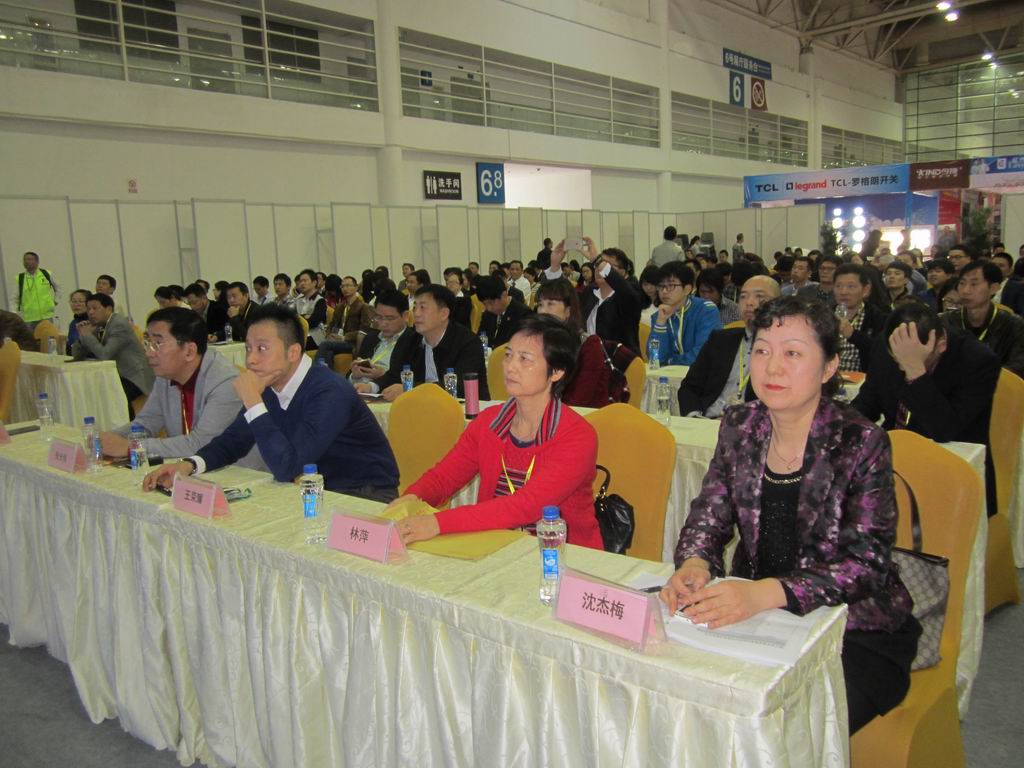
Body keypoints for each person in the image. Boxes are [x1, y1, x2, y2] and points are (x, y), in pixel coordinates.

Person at [663, 296, 920, 735]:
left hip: (851, 629)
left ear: (829, 367)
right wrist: (695, 562)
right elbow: (710, 512)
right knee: (684, 694)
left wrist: (769, 593)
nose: (773, 367)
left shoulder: (861, 441)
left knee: (777, 727)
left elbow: (866, 564)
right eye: (762, 350)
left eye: (793, 353)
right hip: (759, 617)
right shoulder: (740, 424)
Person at [385, 314, 603, 549]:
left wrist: (437, 523)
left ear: (557, 372)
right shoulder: (489, 423)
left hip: (563, 554)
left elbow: (526, 506)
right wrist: (409, 499)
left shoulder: (576, 436)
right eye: (508, 355)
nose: (510, 366)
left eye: (525, 359)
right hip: (496, 546)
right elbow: (444, 477)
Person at [142, 305, 400, 501]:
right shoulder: (270, 384)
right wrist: (188, 465)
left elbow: (288, 466)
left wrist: (254, 403)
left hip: (364, 495)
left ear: (293, 352)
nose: (251, 359)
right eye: (248, 348)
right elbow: (232, 441)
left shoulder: (329, 391)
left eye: (262, 349)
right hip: (315, 492)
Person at [852, 302, 1001, 513]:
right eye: (897, 358)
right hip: (895, 462)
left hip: (953, 470)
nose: (901, 365)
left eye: (909, 360)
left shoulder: (977, 361)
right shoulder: (887, 345)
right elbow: (868, 403)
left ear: (940, 344)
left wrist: (915, 372)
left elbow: (945, 429)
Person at [100, 307, 261, 468]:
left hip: (237, 473)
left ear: (189, 351)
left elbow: (202, 444)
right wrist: (103, 440)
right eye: (148, 343)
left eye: (157, 344)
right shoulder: (167, 376)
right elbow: (146, 424)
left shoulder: (225, 383)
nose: (149, 353)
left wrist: (132, 447)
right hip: (189, 468)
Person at [677, 275, 780, 417]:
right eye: (743, 297)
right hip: (708, 420)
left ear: (778, 304)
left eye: (759, 296)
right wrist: (694, 416)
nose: (749, 303)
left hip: (753, 424)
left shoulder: (784, 350)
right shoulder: (720, 339)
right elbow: (690, 387)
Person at [373, 284, 489, 402]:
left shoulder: (468, 342)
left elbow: (459, 387)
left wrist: (410, 389)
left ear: (443, 314)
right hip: (421, 406)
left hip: (465, 408)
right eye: (415, 307)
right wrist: (372, 386)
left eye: (422, 308)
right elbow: (394, 375)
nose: (416, 313)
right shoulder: (409, 339)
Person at [535, 278, 621, 408]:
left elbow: (579, 400)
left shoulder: (589, 345)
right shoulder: (538, 342)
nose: (542, 311)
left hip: (585, 415)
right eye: (540, 305)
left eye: (550, 304)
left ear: (568, 311)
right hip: (549, 412)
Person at [72, 292, 154, 417]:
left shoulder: (118, 324)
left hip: (135, 375)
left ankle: (130, 425)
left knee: (116, 396)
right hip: (117, 374)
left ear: (109, 309)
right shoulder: (98, 325)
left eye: (95, 308)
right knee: (92, 391)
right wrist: (83, 335)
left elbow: (105, 354)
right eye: (88, 309)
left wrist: (88, 336)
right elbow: (77, 355)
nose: (91, 312)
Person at [942, 260, 1024, 377]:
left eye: (974, 284)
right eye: (962, 283)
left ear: (994, 288)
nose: (965, 291)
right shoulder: (945, 321)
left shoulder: (1014, 325)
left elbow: (1018, 366)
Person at [575, 240, 643, 354]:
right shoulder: (589, 292)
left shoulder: (628, 296)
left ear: (622, 272)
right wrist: (554, 267)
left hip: (622, 360)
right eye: (597, 265)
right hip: (591, 358)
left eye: (606, 265)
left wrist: (598, 261)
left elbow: (627, 292)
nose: (599, 269)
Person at [648, 261, 722, 366]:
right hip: (669, 375)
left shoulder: (706, 310)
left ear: (687, 289)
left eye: (671, 285)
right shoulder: (659, 315)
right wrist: (660, 324)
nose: (664, 291)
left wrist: (670, 361)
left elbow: (702, 355)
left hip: (701, 373)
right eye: (661, 286)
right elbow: (654, 358)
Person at [351, 290, 410, 393]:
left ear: (405, 316)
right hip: (360, 391)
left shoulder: (413, 342)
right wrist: (355, 376)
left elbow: (412, 380)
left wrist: (384, 375)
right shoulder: (371, 338)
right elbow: (350, 376)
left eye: (389, 318)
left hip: (387, 393)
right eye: (378, 317)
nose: (383, 324)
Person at [833, 264, 888, 373]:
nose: (843, 292)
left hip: (862, 378)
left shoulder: (878, 318)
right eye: (838, 286)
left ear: (865, 290)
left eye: (851, 286)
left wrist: (853, 334)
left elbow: (882, 353)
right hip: (828, 377)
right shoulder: (824, 315)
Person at [313, 275, 374, 368]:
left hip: (352, 342)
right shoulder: (339, 307)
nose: (345, 289)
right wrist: (329, 334)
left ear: (356, 287)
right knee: (328, 352)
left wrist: (345, 337)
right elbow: (332, 324)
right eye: (342, 286)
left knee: (324, 345)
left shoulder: (363, 306)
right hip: (338, 340)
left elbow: (365, 330)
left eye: (348, 286)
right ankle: (327, 374)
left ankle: (316, 370)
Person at [477, 275, 532, 349]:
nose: (488, 308)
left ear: (504, 295)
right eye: (484, 304)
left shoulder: (523, 313)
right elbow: (481, 338)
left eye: (491, 303)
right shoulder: (487, 314)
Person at [14, 251, 58, 328]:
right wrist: (15, 314)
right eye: (25, 260)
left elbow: (58, 289)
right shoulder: (20, 278)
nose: (27, 262)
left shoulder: (46, 274)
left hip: (47, 315)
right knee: (30, 336)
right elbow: (14, 298)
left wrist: (55, 301)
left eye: (30, 259)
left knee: (49, 335)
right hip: (29, 318)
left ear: (37, 262)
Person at [65, 288, 90, 354]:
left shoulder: (93, 322)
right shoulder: (73, 323)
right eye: (74, 301)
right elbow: (69, 347)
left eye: (80, 301)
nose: (76, 304)